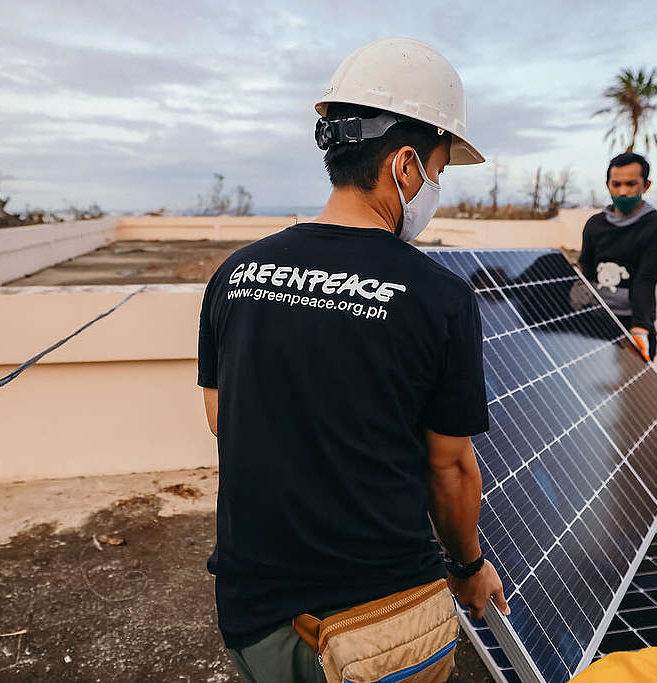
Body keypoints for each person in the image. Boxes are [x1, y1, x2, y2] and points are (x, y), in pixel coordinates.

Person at [197, 37, 508, 682]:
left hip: (255, 611)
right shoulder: (438, 297)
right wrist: (471, 568)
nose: (437, 187)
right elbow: (448, 469)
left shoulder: (234, 275)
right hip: (385, 624)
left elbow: (224, 418)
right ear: (403, 167)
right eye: (439, 170)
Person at [578, 152, 657, 361]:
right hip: (593, 321)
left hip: (632, 323)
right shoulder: (595, 225)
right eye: (616, 184)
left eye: (630, 184)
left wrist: (639, 329)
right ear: (607, 184)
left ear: (645, 185)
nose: (622, 191)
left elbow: (645, 280)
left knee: (633, 391)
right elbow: (586, 268)